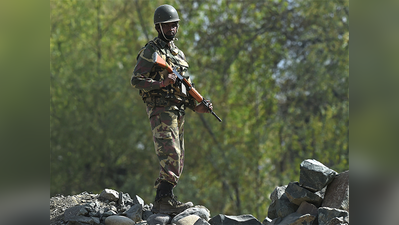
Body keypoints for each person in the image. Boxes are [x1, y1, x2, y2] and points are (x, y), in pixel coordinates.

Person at [130, 4, 213, 215]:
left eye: (175, 25)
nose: (172, 30)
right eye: (168, 26)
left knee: (179, 157)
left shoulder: (179, 54)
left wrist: (198, 106)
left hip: (178, 109)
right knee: (171, 154)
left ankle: (167, 198)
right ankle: (162, 200)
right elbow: (136, 80)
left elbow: (185, 87)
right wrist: (161, 84)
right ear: (159, 28)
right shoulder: (151, 51)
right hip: (160, 108)